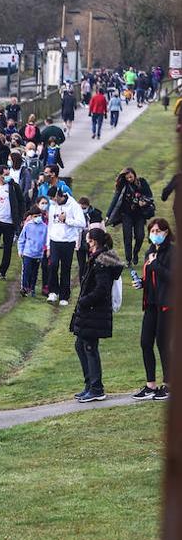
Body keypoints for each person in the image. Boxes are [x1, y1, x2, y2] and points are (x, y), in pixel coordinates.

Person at [70, 228, 124, 402]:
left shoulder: (101, 262)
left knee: (89, 347)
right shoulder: (96, 259)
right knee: (81, 345)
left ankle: (96, 388)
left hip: (94, 311)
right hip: (91, 312)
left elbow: (102, 289)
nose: (87, 242)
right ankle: (90, 385)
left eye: (88, 239)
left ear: (93, 241)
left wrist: (85, 301)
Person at [135, 218, 172, 400]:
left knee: (163, 343)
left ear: (166, 232)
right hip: (151, 303)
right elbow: (151, 278)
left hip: (166, 304)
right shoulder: (149, 252)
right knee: (145, 342)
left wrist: (155, 264)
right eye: (152, 231)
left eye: (158, 231)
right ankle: (151, 385)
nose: (154, 234)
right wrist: (141, 283)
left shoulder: (172, 252)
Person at [107, 167, 156, 268]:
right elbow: (115, 200)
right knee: (127, 237)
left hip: (139, 214)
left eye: (130, 177)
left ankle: (136, 253)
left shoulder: (142, 182)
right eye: (127, 178)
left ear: (134, 174)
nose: (129, 179)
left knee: (140, 236)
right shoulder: (123, 186)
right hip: (126, 214)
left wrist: (144, 202)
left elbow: (150, 195)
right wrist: (108, 215)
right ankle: (128, 259)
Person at [0, 164, 26, 281]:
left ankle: (3, 271)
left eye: (9, 174)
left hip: (10, 222)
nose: (8, 177)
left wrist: (20, 217)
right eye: (6, 174)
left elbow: (21, 202)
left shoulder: (14, 187)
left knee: (7, 248)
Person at [47, 187, 87, 306]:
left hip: (68, 241)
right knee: (53, 265)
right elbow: (50, 225)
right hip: (54, 239)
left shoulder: (73, 205)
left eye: (54, 198)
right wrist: (47, 244)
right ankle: (53, 291)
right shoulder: (53, 206)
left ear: (60, 196)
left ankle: (64, 295)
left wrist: (67, 220)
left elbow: (82, 223)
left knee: (66, 268)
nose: (53, 201)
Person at [17, 205, 49, 297]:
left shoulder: (44, 227)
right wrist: (20, 250)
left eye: (39, 216)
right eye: (35, 216)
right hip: (28, 253)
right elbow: (22, 239)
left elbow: (46, 240)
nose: (37, 218)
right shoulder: (28, 226)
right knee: (26, 271)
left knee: (35, 273)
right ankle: (24, 287)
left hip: (38, 254)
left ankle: (32, 288)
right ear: (31, 216)